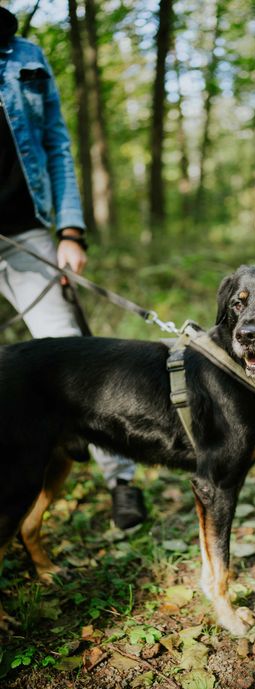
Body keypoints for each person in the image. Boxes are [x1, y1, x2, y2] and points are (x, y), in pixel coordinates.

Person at [0, 6, 146, 529]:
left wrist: (70, 230)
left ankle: (122, 482)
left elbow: (57, 147)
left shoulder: (27, 57)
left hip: (27, 232)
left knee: (74, 355)